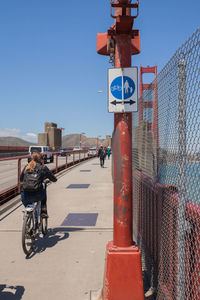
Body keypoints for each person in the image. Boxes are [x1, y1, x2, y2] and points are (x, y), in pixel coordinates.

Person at [20, 151, 57, 218]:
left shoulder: (26, 167)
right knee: (43, 188)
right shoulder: (43, 167)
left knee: (27, 203)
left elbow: (21, 179)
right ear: (41, 159)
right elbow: (53, 179)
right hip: (38, 196)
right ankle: (43, 210)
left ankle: (28, 219)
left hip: (24, 196)